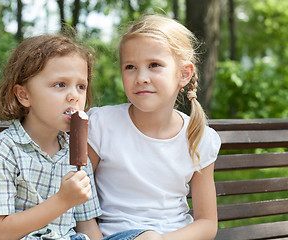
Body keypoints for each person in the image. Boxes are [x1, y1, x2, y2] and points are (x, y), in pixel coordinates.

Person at [88, 15, 221, 240]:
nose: (141, 77)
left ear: (184, 74)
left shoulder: (199, 137)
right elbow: (79, 208)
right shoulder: (101, 125)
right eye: (130, 67)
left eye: (154, 65)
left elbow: (207, 223)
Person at [0, 35, 102, 240]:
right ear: (24, 95)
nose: (74, 96)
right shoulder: (3, 151)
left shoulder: (77, 154)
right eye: (60, 84)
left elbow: (87, 227)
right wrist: (63, 200)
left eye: (81, 86)